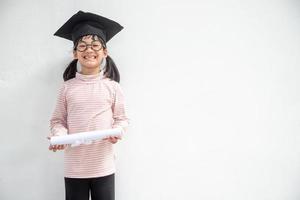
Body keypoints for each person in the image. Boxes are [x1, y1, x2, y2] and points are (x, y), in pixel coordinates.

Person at [47, 10, 129, 200]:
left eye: (95, 45)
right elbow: (57, 120)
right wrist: (59, 137)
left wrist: (117, 131)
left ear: (105, 52)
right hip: (75, 167)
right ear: (75, 53)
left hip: (103, 166)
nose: (89, 50)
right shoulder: (67, 88)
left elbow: (122, 118)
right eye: (82, 46)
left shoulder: (113, 87)